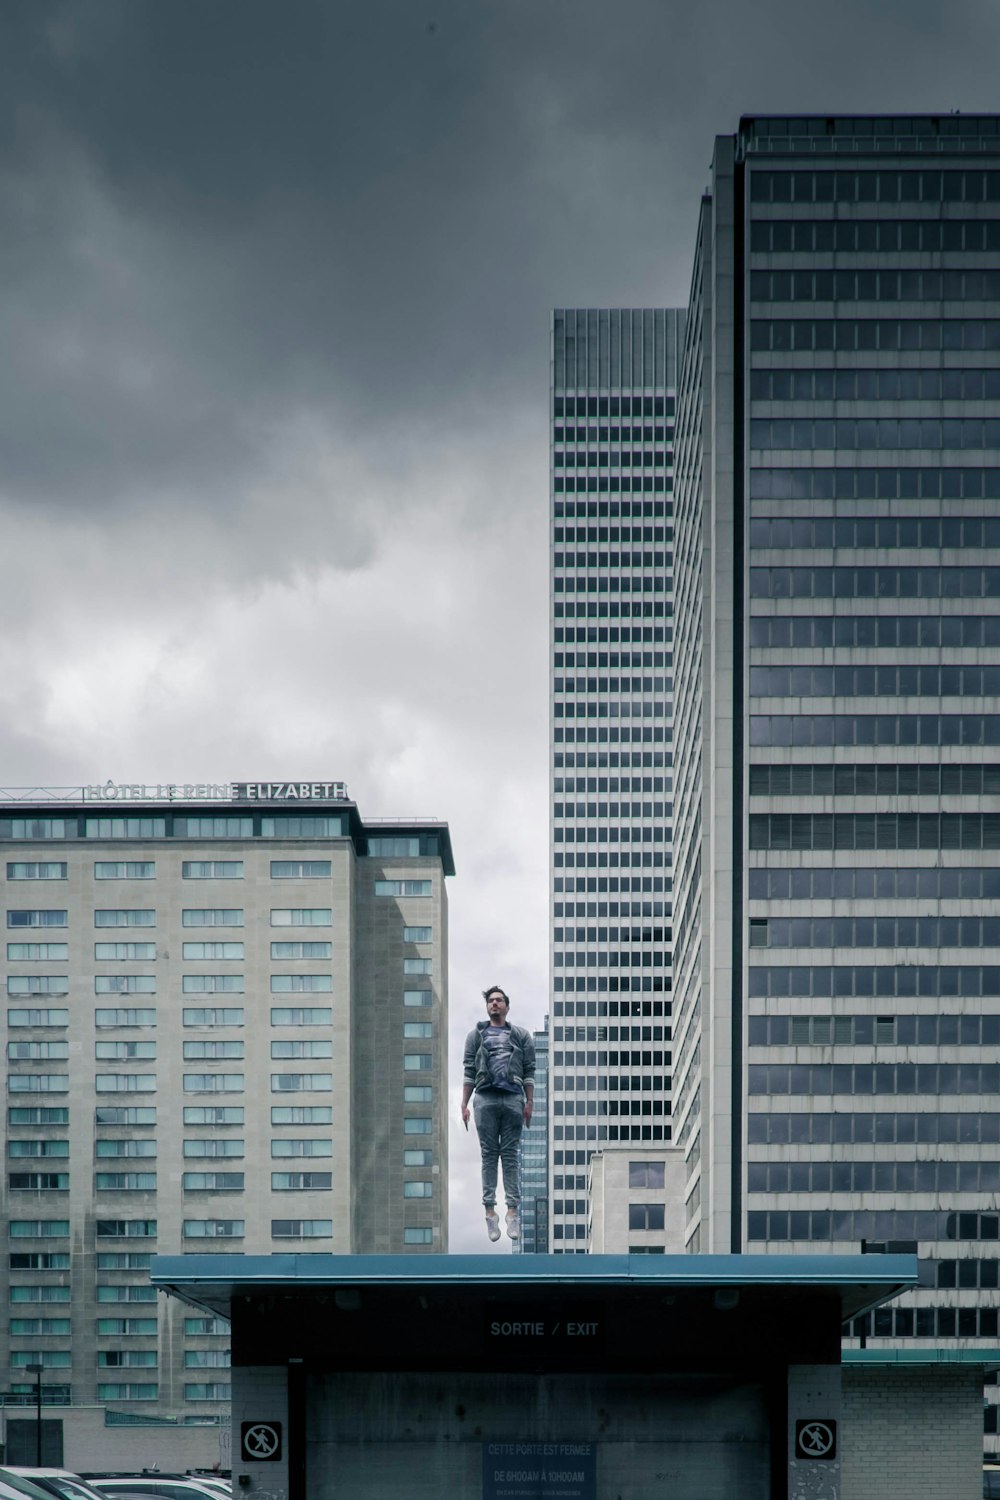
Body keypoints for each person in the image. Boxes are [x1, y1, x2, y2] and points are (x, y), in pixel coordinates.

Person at [461, 985, 535, 1242]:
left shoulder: (521, 1035)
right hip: (485, 1097)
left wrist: (530, 1102)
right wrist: (464, 1103)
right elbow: (469, 1070)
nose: (494, 1004)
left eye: (499, 1000)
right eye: (491, 1001)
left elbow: (529, 1071)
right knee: (489, 1156)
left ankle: (512, 1212)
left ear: (506, 1005)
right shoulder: (475, 1036)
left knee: (510, 1156)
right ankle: (490, 1213)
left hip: (514, 1098)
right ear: (487, 1006)